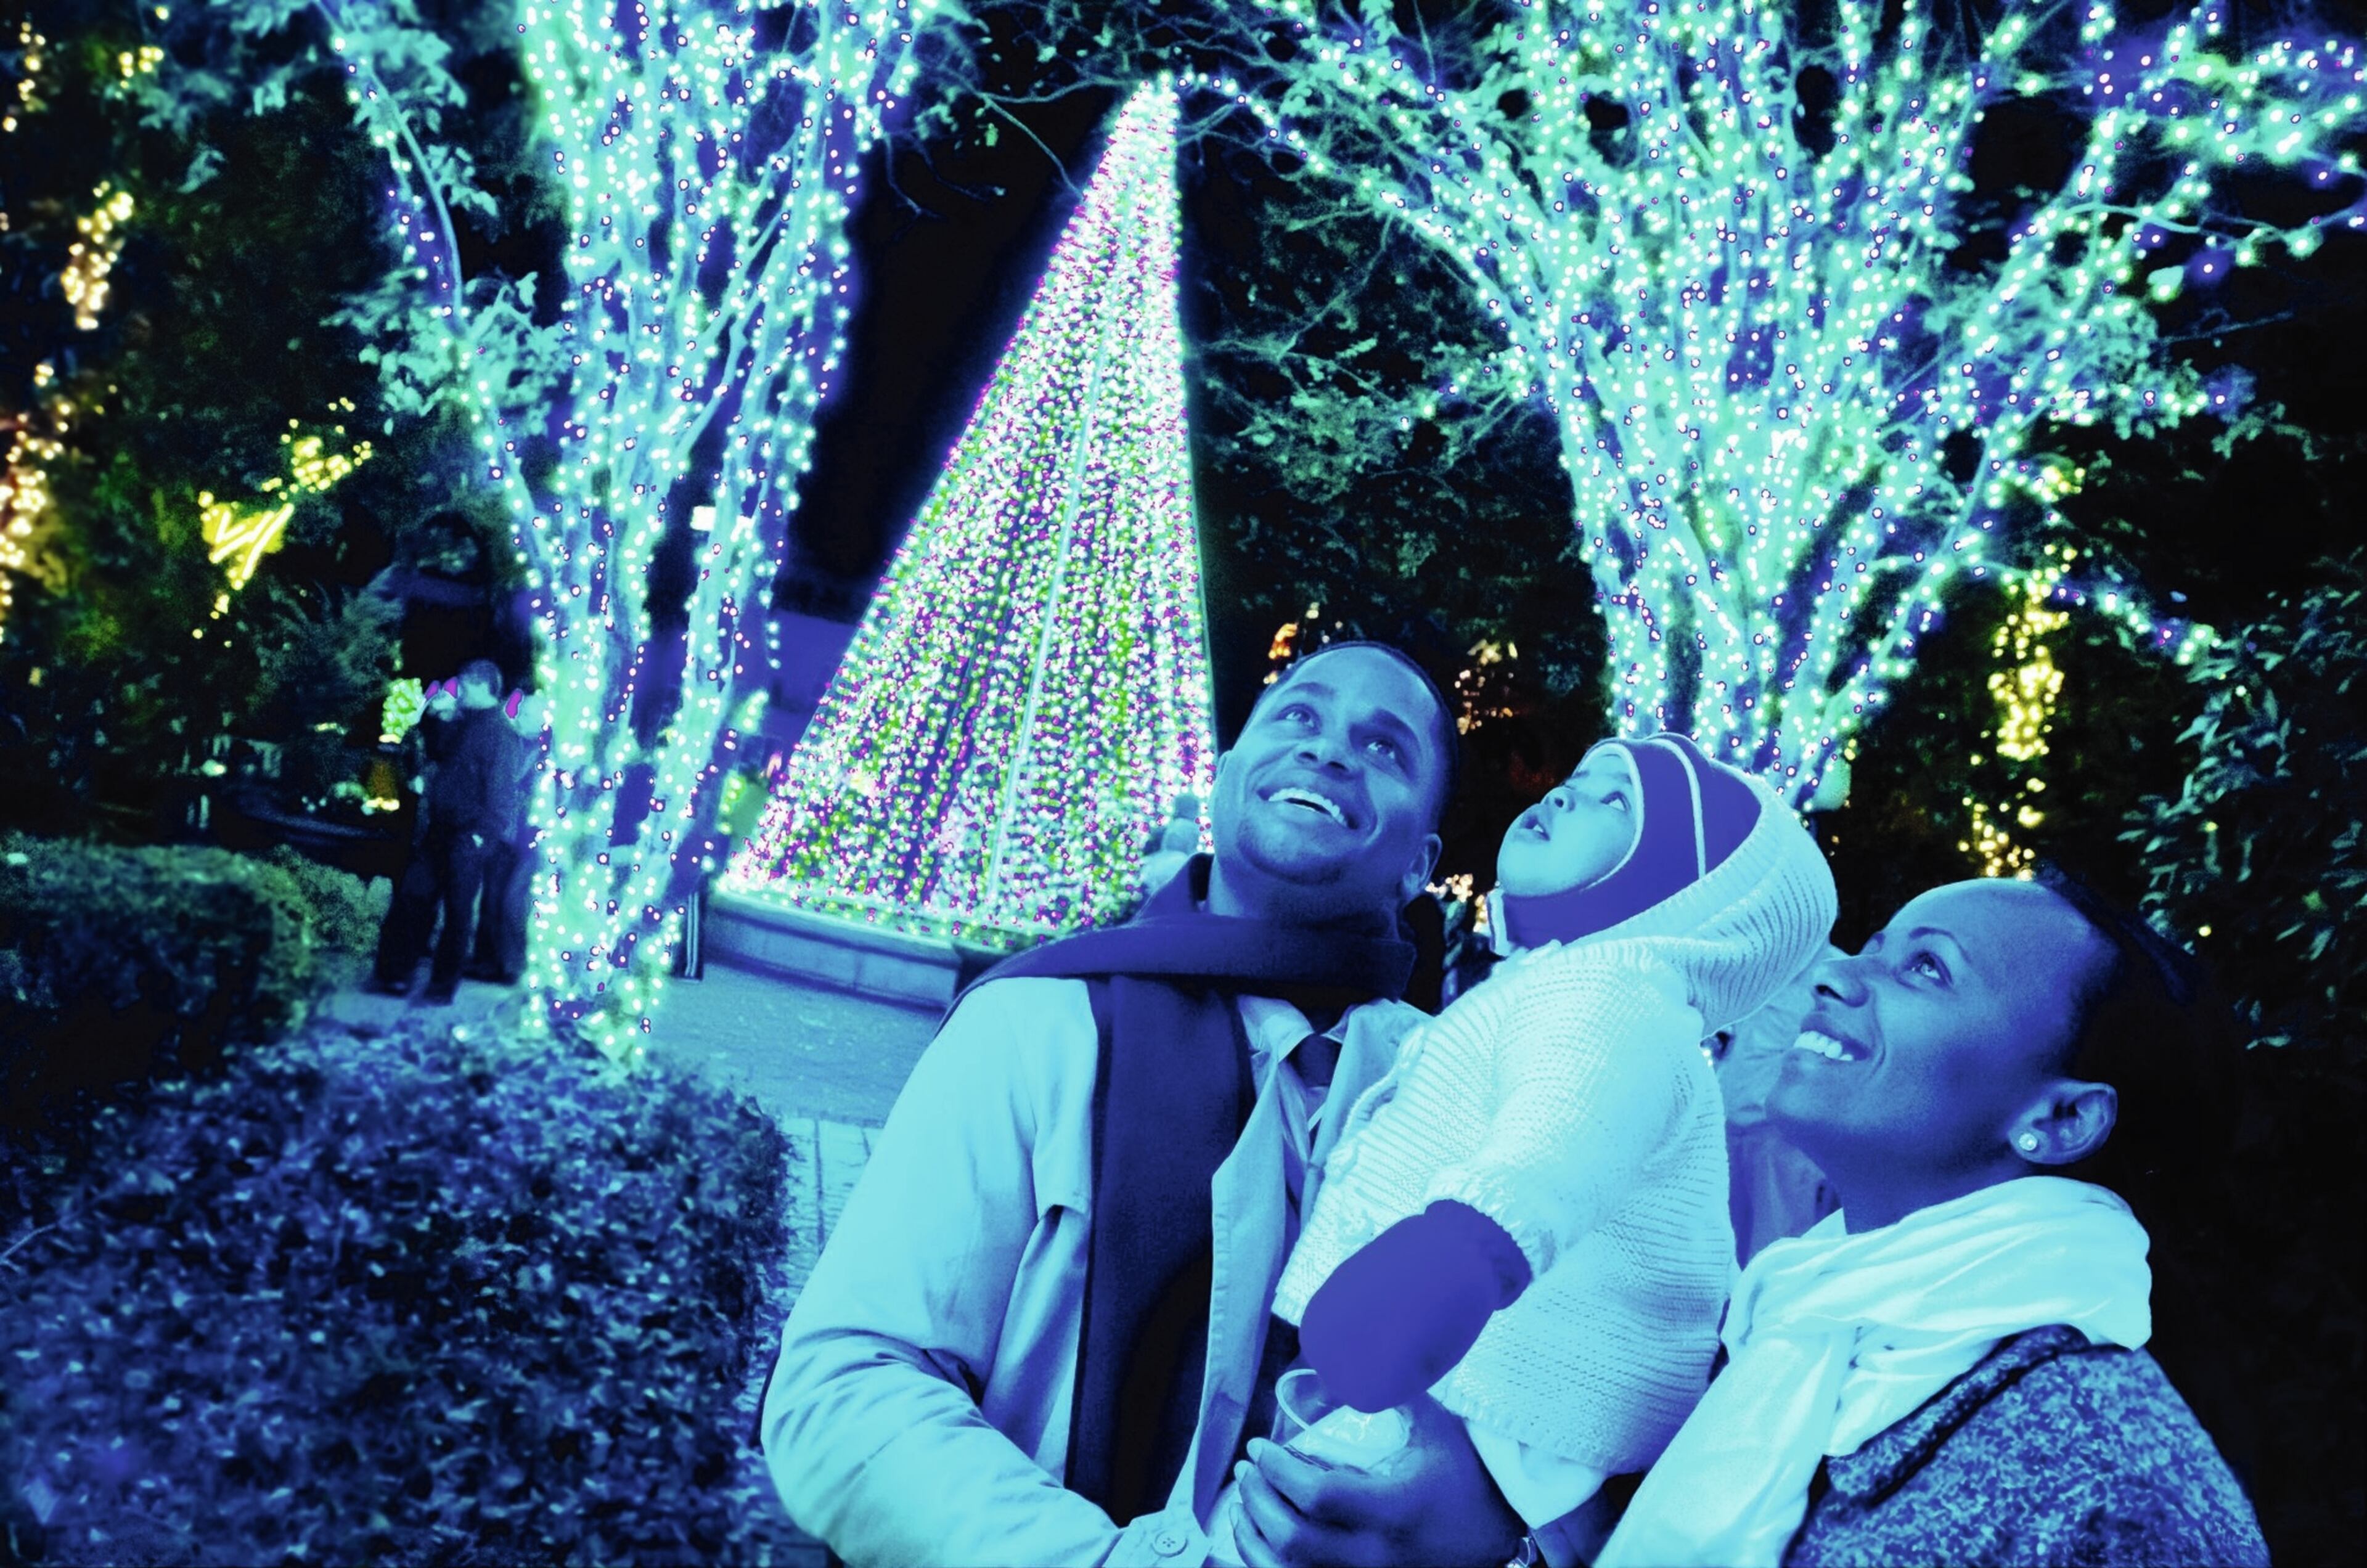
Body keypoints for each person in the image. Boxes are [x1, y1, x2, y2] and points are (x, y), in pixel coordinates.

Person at [759, 642, 1534, 1567]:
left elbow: (1576, 1412)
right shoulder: (1034, 1025)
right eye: (1297, 715)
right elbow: (847, 1385)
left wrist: (1494, 1517)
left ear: (1422, 864)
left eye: (1385, 749)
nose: (1329, 751)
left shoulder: (1487, 1089)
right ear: (1224, 778)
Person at [1252, 735, 1837, 1562]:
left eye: (1617, 802)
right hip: (1460, 1382)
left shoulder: (1616, 1002)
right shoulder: (1567, 984)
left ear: (1691, 888)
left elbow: (1553, 1150)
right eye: (1574, 776)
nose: (1565, 795)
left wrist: (1452, 1258)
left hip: (1492, 1403)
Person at [1595, 872, 2268, 1567]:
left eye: (1927, 967)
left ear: (2061, 1119)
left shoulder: (2113, 1485)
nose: (1833, 974)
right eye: (1875, 946)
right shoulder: (1790, 1321)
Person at [366, 659, 524, 1005]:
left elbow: (501, 791)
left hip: (469, 834)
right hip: (440, 828)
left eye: (465, 683)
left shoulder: (501, 734)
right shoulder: (463, 721)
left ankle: (441, 988)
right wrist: (438, 719)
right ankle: (396, 975)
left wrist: (483, 836)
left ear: (483, 685)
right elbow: (439, 752)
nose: (459, 689)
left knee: (457, 913)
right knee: (414, 897)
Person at [1711, 946, 1843, 1266]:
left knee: (1774, 1253)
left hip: (1785, 1143)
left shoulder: (1837, 976)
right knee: (1722, 1250)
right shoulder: (1757, 972)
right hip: (1729, 1134)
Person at [467, 690, 547, 986]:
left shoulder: (547, 753)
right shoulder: (511, 743)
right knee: (492, 897)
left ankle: (512, 965)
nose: (521, 718)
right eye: (522, 712)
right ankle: (486, 961)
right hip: (504, 831)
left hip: (530, 837)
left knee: (514, 900)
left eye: (528, 715)